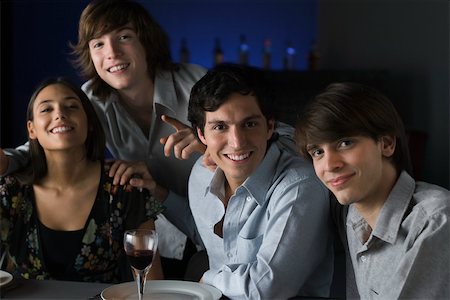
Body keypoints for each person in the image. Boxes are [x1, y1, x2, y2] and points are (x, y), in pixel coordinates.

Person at [0, 0, 297, 279]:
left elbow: (282, 136)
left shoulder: (195, 83)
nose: (112, 53)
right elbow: (47, 140)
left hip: (229, 225)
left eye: (124, 37)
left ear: (146, 42)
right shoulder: (92, 99)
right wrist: (9, 160)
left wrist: (213, 141)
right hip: (159, 228)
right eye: (98, 44)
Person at [184, 64, 333, 299]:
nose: (237, 142)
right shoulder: (200, 176)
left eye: (250, 124)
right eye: (220, 127)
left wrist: (208, 279)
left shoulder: (299, 186)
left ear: (270, 127)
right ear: (202, 135)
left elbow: (266, 288)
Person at [295, 82, 450, 299]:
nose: (329, 165)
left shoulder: (436, 221)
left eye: (345, 143)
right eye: (318, 152)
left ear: (386, 143)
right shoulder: (350, 213)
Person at [0, 78, 163, 283]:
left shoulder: (124, 186)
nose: (59, 114)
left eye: (71, 106)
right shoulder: (9, 191)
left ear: (90, 123)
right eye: (46, 109)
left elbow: (152, 284)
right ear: (31, 129)